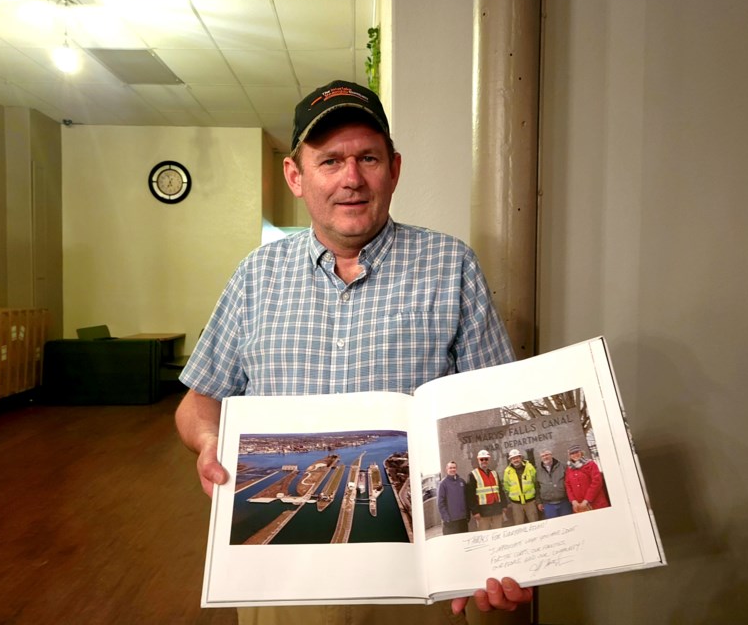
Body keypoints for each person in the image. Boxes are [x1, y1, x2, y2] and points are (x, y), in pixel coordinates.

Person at [174, 80, 532, 624]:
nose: (352, 178)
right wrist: (208, 442)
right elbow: (199, 402)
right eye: (331, 160)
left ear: (394, 168)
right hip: (282, 574)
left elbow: (499, 418)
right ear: (296, 176)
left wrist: (504, 548)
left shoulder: (450, 265)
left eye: (368, 157)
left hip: (420, 574)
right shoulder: (255, 276)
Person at [466, 449, 507, 531]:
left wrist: (504, 505)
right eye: (482, 459)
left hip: (496, 509)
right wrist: (475, 511)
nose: (484, 461)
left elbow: (500, 491)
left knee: (498, 533)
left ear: (489, 460)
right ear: (478, 460)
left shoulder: (494, 473)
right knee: (484, 535)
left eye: (486, 459)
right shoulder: (473, 475)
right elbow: (470, 495)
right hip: (483, 512)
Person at [564, 444, 611, 512]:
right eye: (572, 453)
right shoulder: (569, 468)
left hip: (596, 504)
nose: (575, 455)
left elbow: (597, 482)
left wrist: (587, 500)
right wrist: (573, 501)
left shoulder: (591, 464)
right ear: (570, 456)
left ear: (581, 452)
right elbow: (568, 485)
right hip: (579, 506)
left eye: (577, 452)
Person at [501, 448, 539, 525]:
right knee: (519, 525)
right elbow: (506, 487)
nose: (515, 460)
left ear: (521, 458)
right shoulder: (507, 471)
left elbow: (535, 482)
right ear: (510, 460)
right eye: (513, 458)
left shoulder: (529, 467)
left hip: (530, 502)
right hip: (516, 504)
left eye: (517, 457)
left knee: (535, 524)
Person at [534, 448, 573, 519]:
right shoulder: (538, 471)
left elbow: (570, 483)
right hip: (548, 505)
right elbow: (537, 487)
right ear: (541, 458)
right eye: (543, 456)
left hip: (565, 502)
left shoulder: (563, 466)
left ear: (551, 455)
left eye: (547, 455)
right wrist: (539, 502)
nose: (545, 457)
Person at [437, 461, 470, 535]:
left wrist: (467, 515)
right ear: (447, 469)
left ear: (456, 469)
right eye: (450, 468)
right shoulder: (443, 484)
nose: (452, 469)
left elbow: (466, 499)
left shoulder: (461, 481)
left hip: (463, 520)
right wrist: (446, 519)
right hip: (451, 522)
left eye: (454, 467)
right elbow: (440, 503)